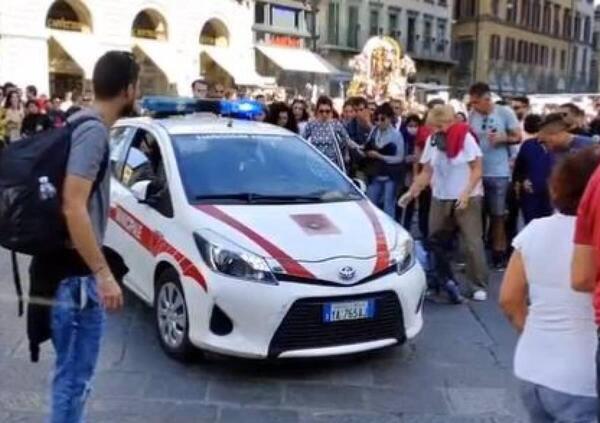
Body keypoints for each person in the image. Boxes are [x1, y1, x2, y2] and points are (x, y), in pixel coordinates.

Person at [33, 51, 138, 423]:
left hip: (64, 275)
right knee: (74, 380)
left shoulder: (76, 121)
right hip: (74, 281)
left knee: (72, 377)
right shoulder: (93, 131)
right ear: (129, 89)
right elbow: (73, 205)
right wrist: (103, 274)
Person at [501, 148, 600, 423]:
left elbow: (509, 299)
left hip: (532, 366)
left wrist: (535, 332)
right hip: (583, 379)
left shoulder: (534, 230)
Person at [401, 105, 489, 301]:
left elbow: (477, 169)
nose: (431, 131)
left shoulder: (465, 138)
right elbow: (427, 171)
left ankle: (477, 284)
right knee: (435, 242)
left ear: (446, 124)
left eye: (435, 127)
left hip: (467, 196)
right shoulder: (433, 141)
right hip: (440, 196)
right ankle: (441, 281)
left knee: (472, 242)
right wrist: (412, 191)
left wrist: (466, 193)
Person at [468, 82, 522, 270]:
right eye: (472, 102)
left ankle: (499, 254)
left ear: (487, 99)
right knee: (477, 216)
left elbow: (518, 136)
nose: (474, 106)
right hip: (477, 172)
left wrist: (503, 139)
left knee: (498, 215)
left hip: (498, 172)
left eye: (476, 102)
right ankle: (480, 254)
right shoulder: (472, 115)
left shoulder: (504, 113)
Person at [364, 103, 405, 219]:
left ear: (390, 118)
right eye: (376, 119)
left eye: (383, 119)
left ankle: (390, 231)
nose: (379, 122)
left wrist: (380, 156)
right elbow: (366, 146)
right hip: (376, 173)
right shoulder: (374, 131)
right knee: (371, 203)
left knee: (389, 206)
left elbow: (400, 158)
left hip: (390, 175)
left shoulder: (396, 135)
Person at [513, 114, 553, 224]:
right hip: (531, 194)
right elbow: (519, 168)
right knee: (532, 224)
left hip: (553, 195)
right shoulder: (528, 145)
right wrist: (523, 180)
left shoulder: (559, 147)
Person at [302, 95, 357, 171]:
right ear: (317, 111)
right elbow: (303, 140)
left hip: (332, 165)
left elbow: (347, 140)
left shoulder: (335, 124)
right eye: (321, 111)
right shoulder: (311, 124)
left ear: (331, 111)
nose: (324, 114)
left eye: (327, 111)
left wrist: (359, 148)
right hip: (315, 163)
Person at [398, 114, 421, 229]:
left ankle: (407, 226)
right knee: (400, 200)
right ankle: (398, 223)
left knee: (411, 202)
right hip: (403, 174)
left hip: (417, 175)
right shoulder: (402, 137)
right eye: (410, 125)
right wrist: (406, 158)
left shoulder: (421, 139)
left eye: (416, 126)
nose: (413, 128)